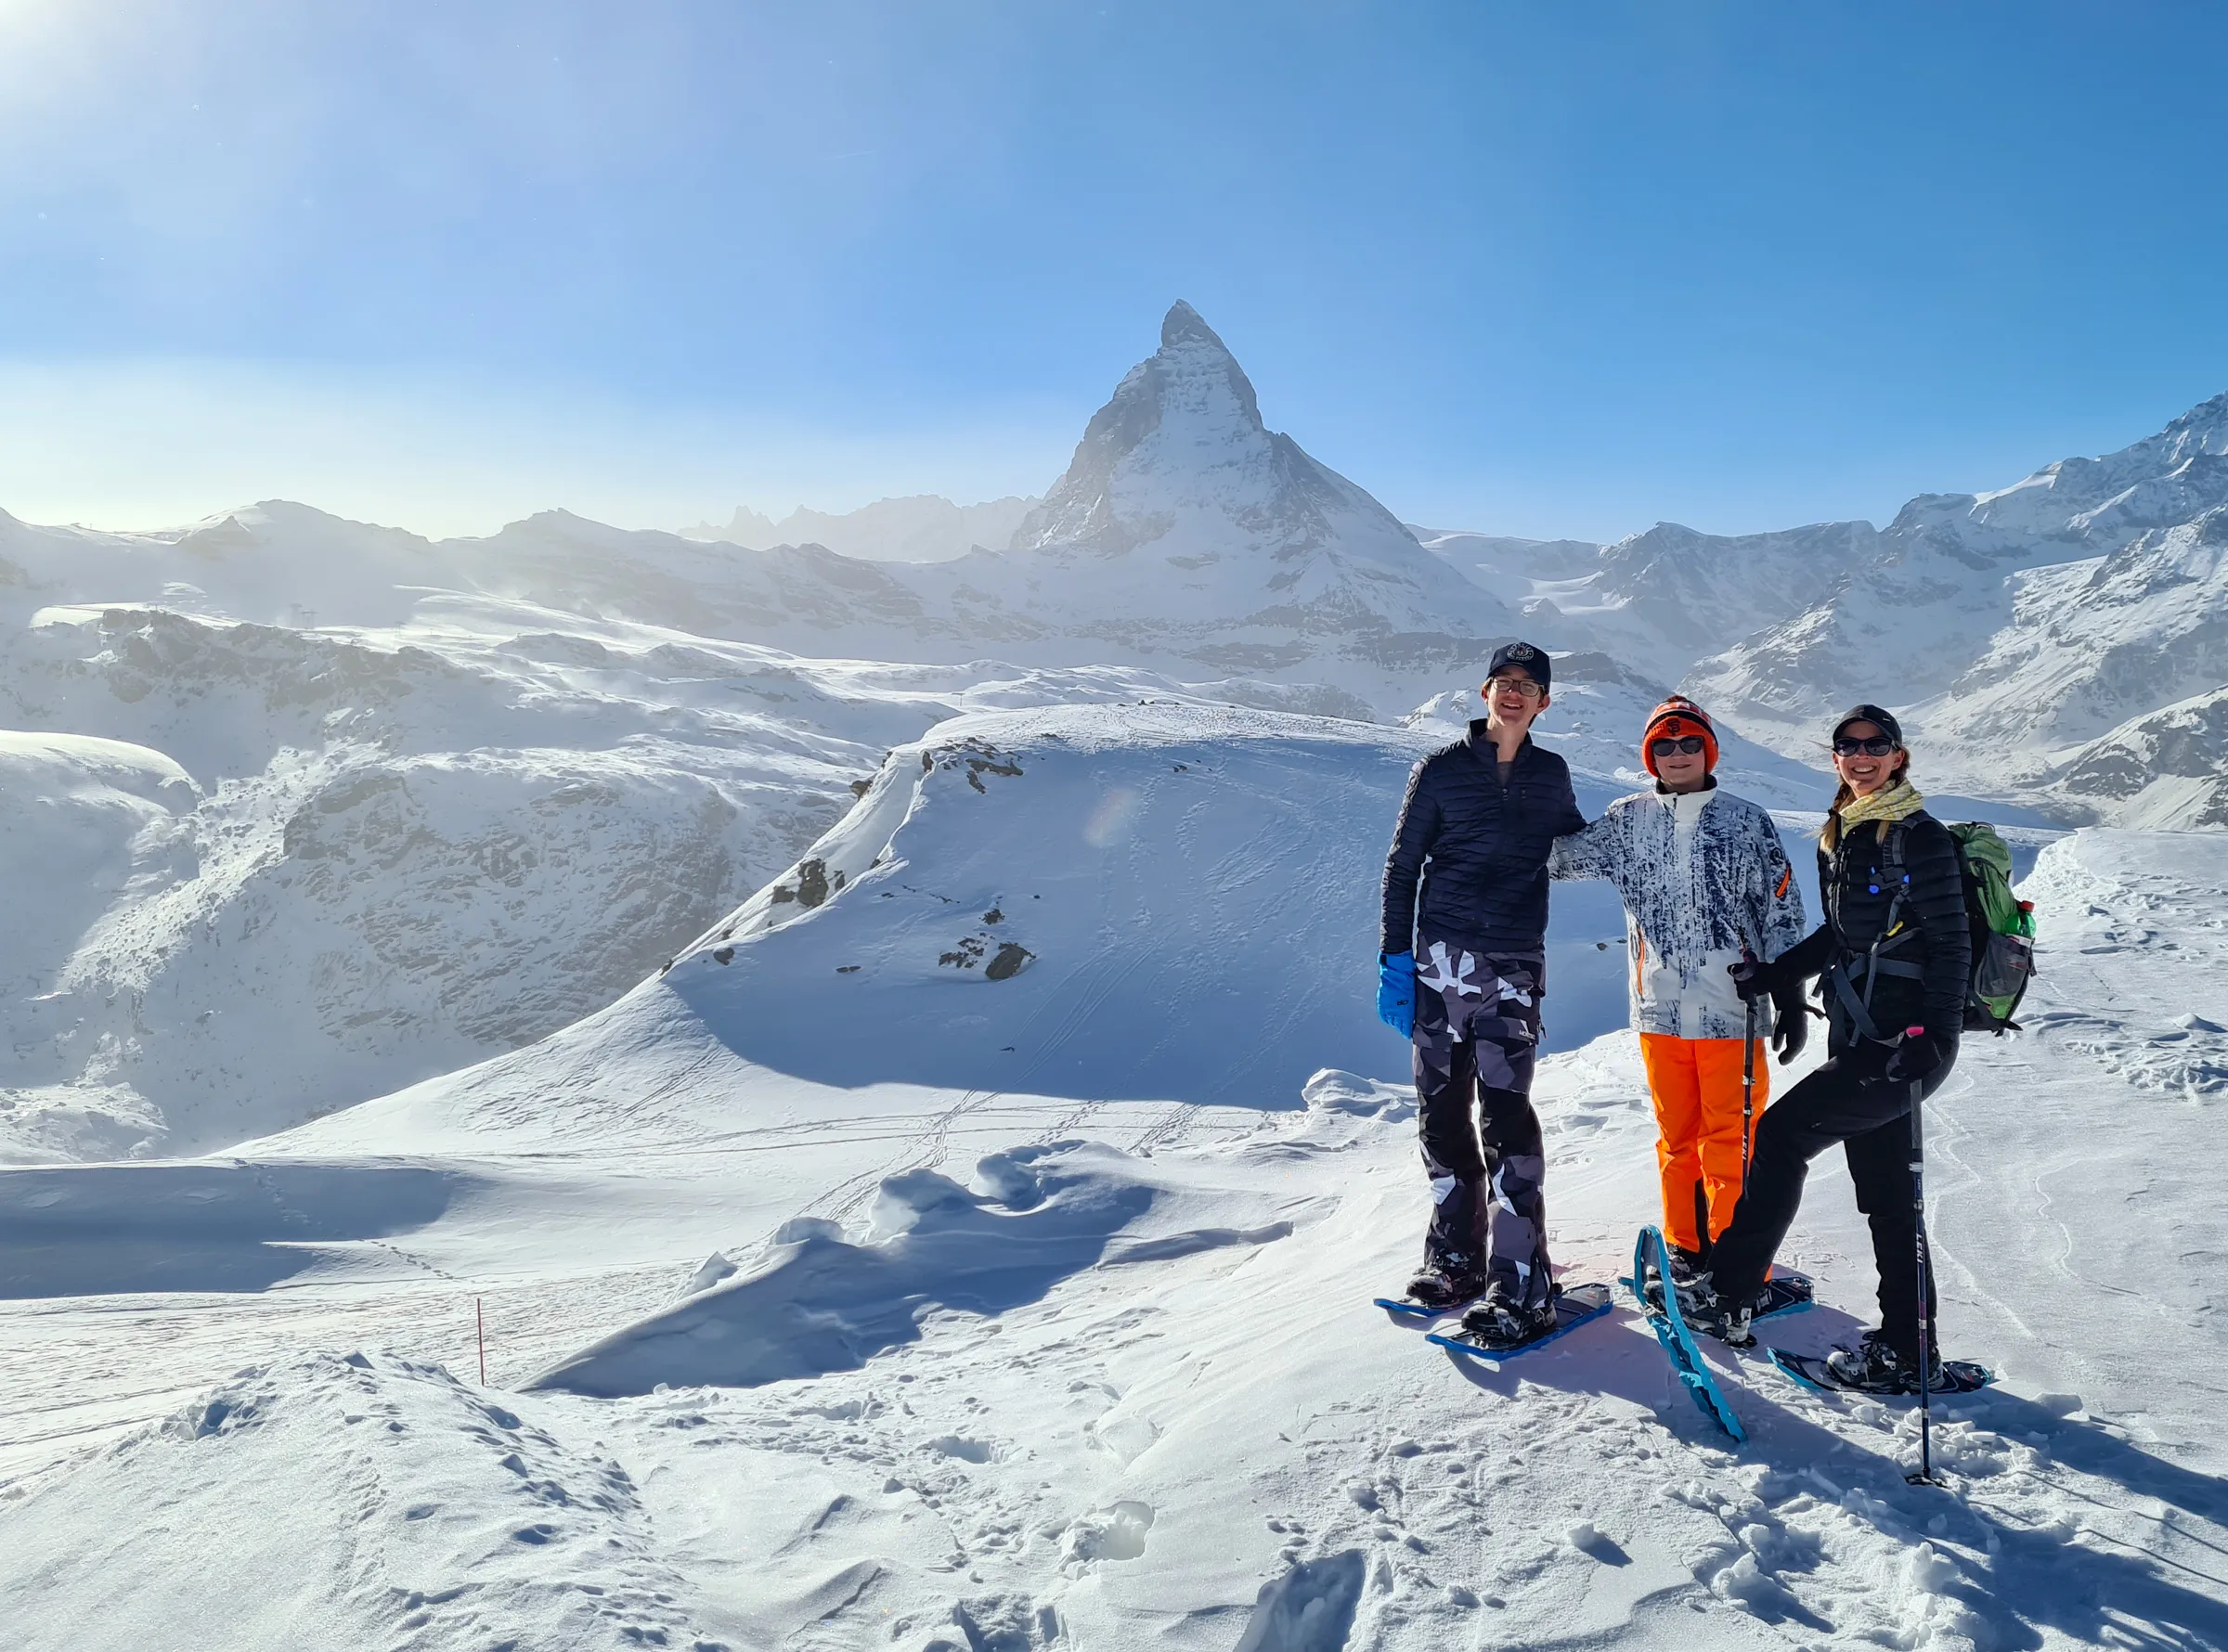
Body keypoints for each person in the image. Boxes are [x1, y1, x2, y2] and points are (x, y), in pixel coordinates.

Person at [1691, 704, 1971, 1390]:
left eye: (1877, 745)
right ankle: (1909, 1350)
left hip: (1900, 1049)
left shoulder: (1920, 838)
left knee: (1781, 1137)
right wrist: (1778, 975)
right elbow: (1845, 937)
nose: (1862, 755)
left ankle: (1729, 1292)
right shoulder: (1844, 831)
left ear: (1899, 756)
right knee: (1886, 1199)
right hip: (1868, 1041)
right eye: (1849, 746)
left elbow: (1953, 945)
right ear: (1835, 757)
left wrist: (1934, 1038)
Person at [1548, 696, 1808, 1280]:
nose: (1677, 755)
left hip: (1731, 1009)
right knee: (1676, 1136)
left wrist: (1789, 996)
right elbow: (1558, 862)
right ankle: (1686, 1247)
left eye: (1690, 743)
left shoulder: (1747, 821)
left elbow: (1782, 911)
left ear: (1708, 750)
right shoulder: (1626, 819)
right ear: (1649, 756)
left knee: (1733, 1139)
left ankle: (1737, 1260)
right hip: (1658, 1008)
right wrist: (1529, 799)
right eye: (1663, 746)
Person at [1378, 641, 1587, 1346]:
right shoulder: (1439, 770)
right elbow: (1402, 865)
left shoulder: (1551, 774)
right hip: (1440, 963)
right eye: (1503, 682)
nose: (1514, 693)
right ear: (1484, 691)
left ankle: (1520, 1274)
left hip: (1513, 969)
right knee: (1440, 1112)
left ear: (1544, 701)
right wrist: (1394, 961)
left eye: (1528, 685)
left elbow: (1573, 849)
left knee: (1505, 1115)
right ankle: (1455, 1257)